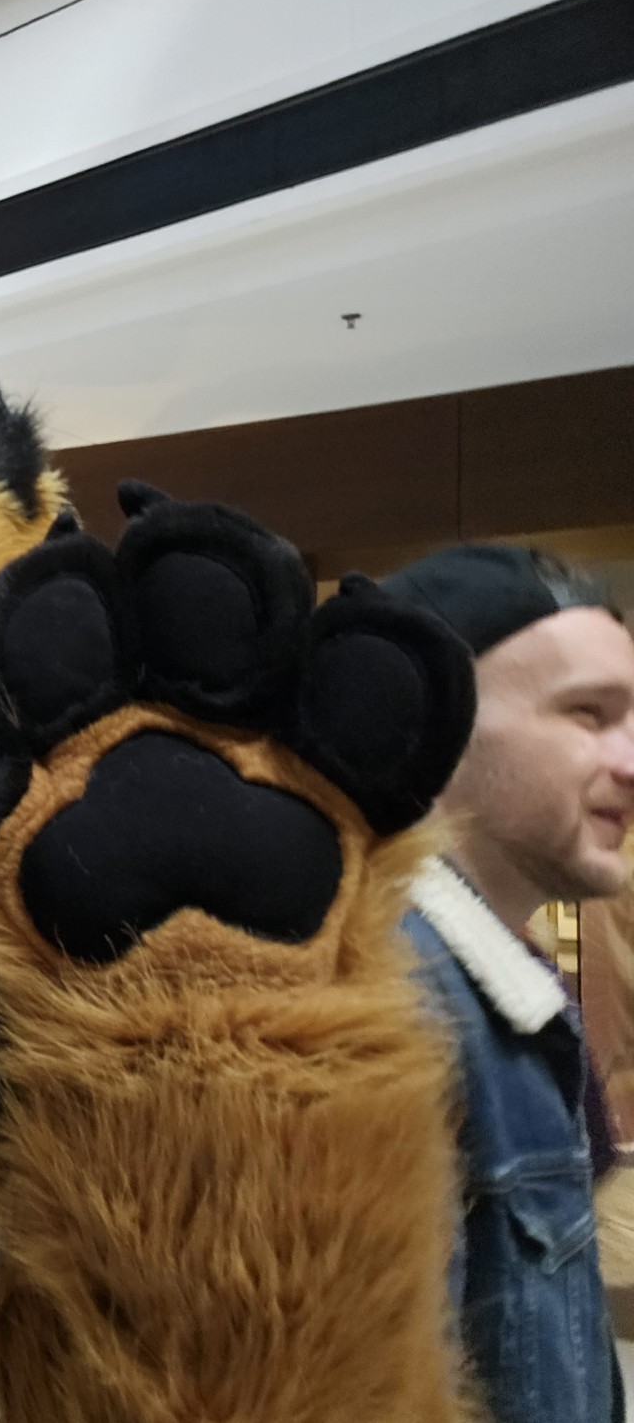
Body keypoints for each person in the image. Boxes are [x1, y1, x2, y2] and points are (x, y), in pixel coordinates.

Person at [384, 544, 634, 1423]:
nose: (631, 759)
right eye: (587, 713)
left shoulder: (496, 990)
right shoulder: (398, 1004)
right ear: (438, 728)